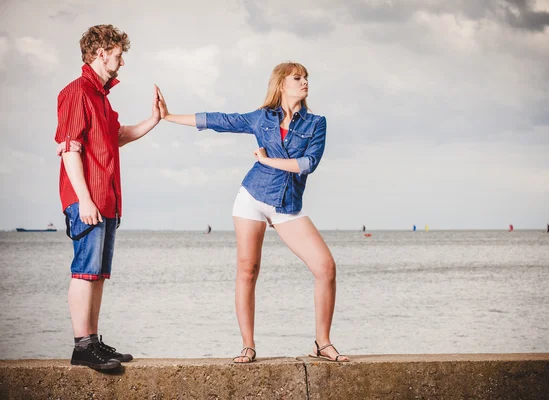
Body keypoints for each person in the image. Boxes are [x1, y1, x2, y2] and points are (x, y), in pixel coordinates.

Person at [156, 62, 349, 363]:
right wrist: (167, 116)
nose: (305, 82)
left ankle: (322, 343)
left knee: (326, 268)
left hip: (287, 206)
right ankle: (248, 345)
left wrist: (267, 160)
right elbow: (221, 120)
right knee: (248, 270)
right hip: (252, 198)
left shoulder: (316, 124)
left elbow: (308, 164)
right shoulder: (262, 119)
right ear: (282, 84)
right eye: (297, 78)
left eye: (307, 78)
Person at [55, 24, 160, 370]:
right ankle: (82, 346)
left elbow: (119, 135)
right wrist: (84, 199)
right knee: (84, 271)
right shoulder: (77, 92)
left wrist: (154, 119)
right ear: (102, 53)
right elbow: (69, 150)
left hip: (107, 200)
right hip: (88, 199)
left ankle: (93, 341)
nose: (122, 62)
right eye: (119, 55)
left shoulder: (101, 97)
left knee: (98, 273)